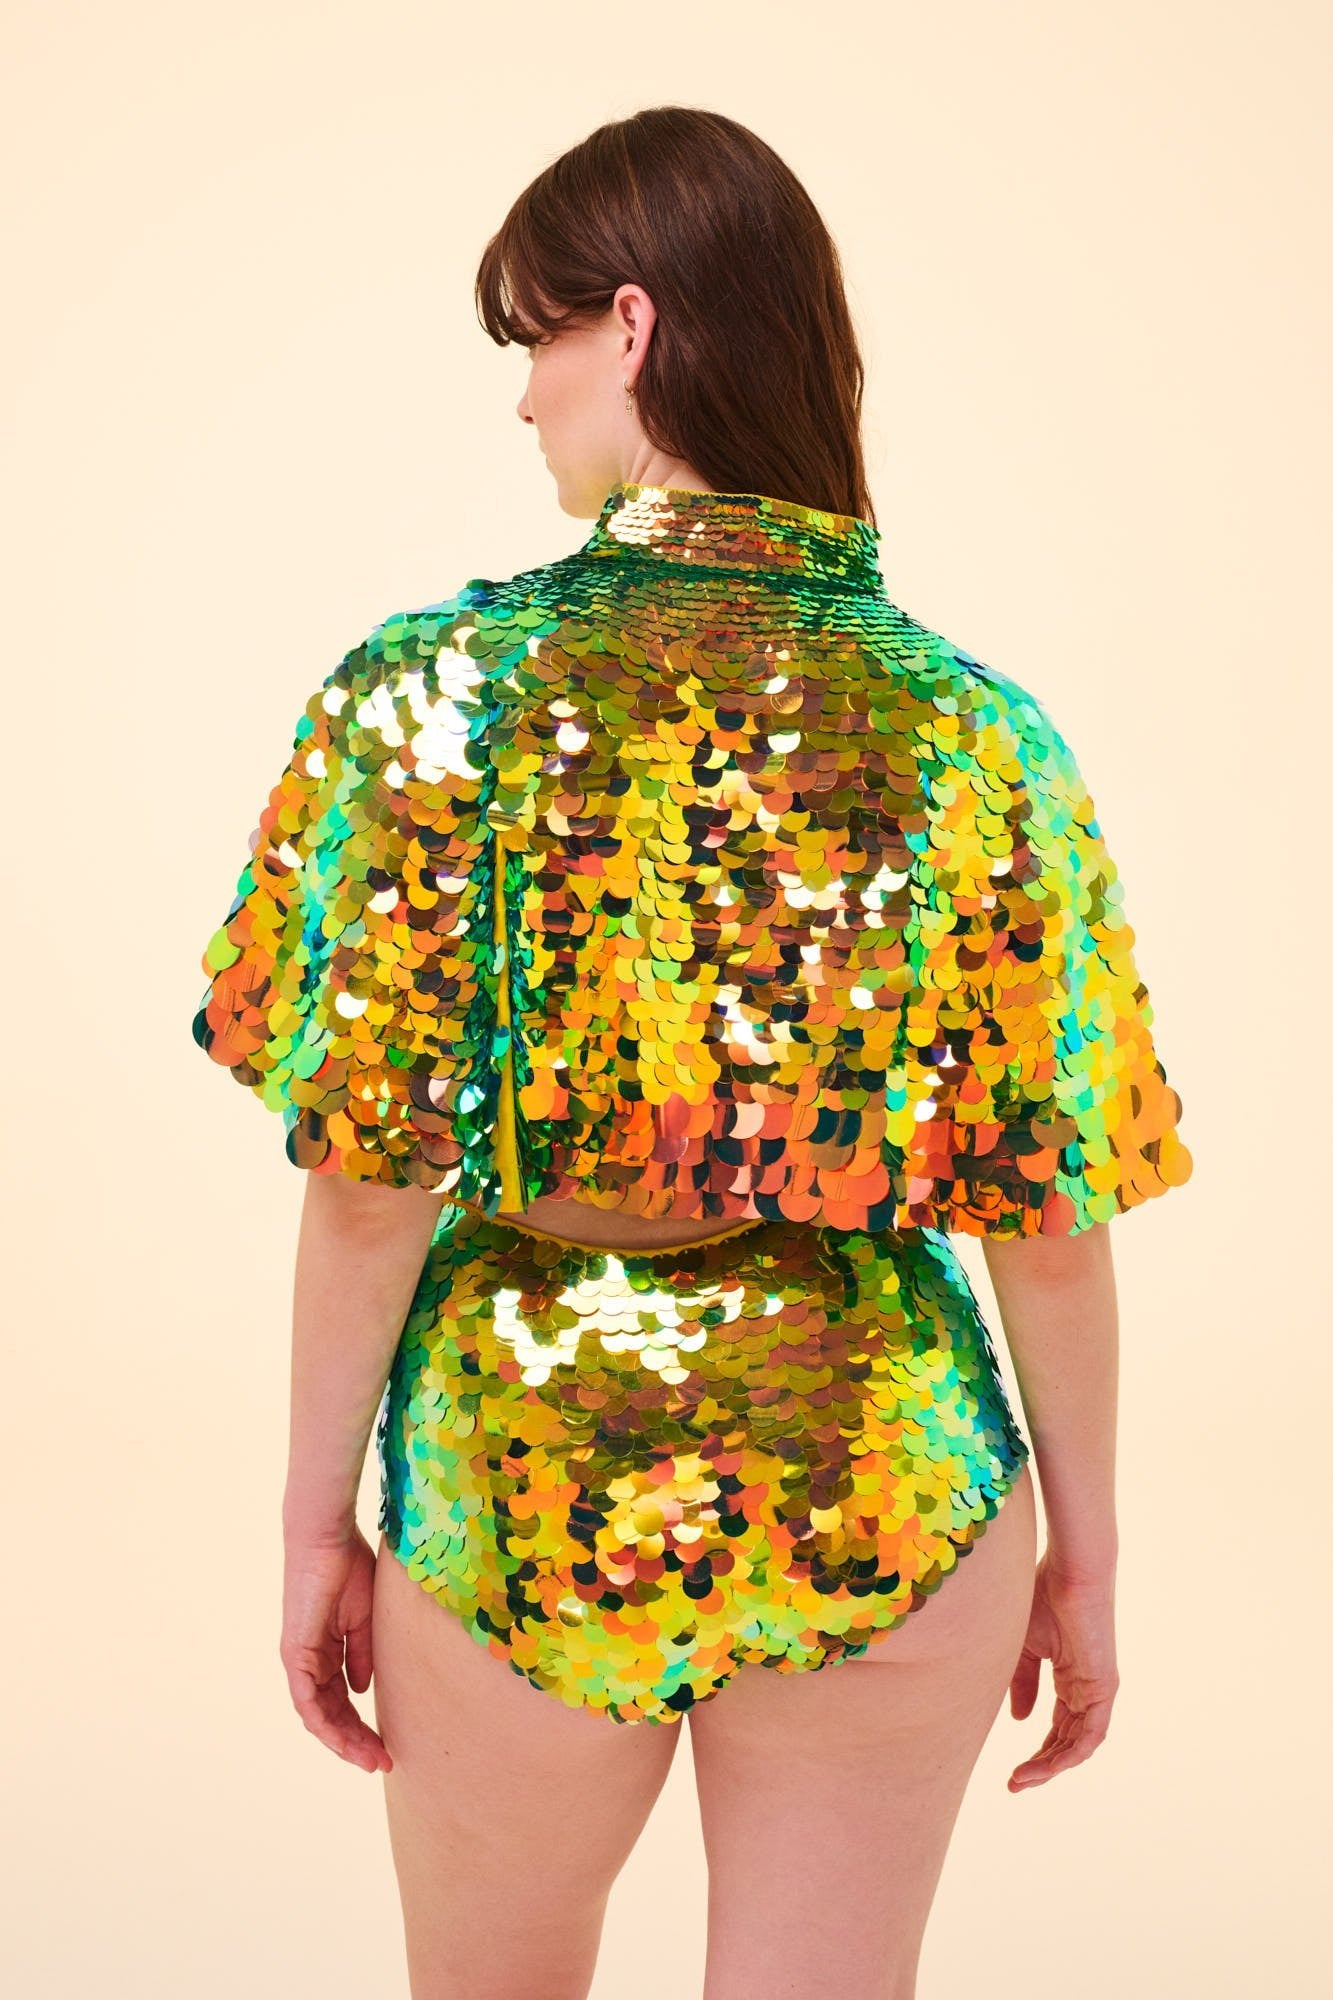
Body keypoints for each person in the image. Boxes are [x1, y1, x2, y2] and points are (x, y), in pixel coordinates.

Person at [192, 105, 1193, 2000]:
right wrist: (1086, 1556)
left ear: (632, 326)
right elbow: (1049, 1217)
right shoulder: (975, 731)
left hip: (521, 1489)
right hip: (889, 1488)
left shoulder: (437, 696)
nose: (523, 398)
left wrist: (317, 1528)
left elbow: (367, 1190)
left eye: (535, 339)